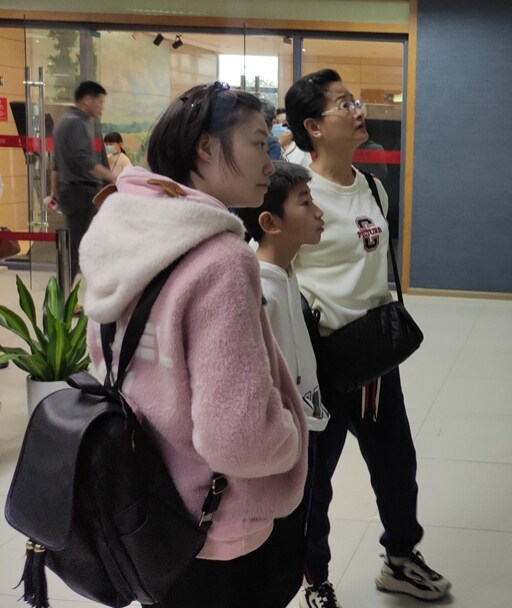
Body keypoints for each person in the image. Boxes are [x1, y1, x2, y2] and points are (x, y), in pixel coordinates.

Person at [78, 82, 308, 608]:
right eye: (258, 142)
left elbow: (103, 356)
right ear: (206, 147)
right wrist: (291, 436)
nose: (270, 161)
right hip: (218, 518)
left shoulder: (123, 230)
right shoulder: (221, 259)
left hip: (144, 502)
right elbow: (239, 437)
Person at [286, 69, 451, 607]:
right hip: (322, 363)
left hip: (375, 357)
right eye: (343, 104)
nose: (357, 110)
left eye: (354, 100)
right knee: (316, 481)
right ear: (313, 126)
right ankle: (315, 579)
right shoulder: (295, 193)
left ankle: (400, 558)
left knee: (397, 464)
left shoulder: (372, 187)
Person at [236, 159, 330, 475]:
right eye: (305, 203)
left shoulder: (285, 269)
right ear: (270, 222)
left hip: (307, 420)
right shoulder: (258, 286)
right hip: (283, 437)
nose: (318, 212)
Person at [52, 80, 115, 277]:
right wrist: (114, 177)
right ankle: (62, 293)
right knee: (78, 249)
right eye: (100, 102)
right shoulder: (76, 123)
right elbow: (85, 161)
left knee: (77, 246)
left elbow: (56, 164)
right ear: (87, 100)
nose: (101, 107)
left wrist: (55, 191)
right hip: (81, 193)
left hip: (70, 191)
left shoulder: (63, 121)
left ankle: (66, 290)